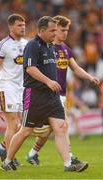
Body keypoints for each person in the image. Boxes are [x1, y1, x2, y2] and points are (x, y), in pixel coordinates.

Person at [1, 16, 88, 172]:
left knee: (61, 127)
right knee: (25, 130)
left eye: (56, 30)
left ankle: (68, 164)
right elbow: (30, 68)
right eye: (52, 30)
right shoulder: (32, 45)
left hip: (52, 96)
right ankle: (7, 160)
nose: (55, 33)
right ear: (41, 31)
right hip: (34, 94)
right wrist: (48, 81)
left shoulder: (50, 46)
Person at [25, 15, 100, 165]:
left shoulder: (65, 49)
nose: (65, 33)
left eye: (67, 30)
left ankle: (32, 154)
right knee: (62, 125)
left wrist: (89, 77)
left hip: (62, 93)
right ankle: (70, 158)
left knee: (50, 130)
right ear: (54, 29)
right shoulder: (45, 47)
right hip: (47, 93)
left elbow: (75, 68)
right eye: (61, 29)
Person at [0, 14, 27, 164]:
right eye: (19, 25)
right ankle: (10, 158)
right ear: (11, 27)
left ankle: (4, 148)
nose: (23, 27)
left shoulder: (27, 43)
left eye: (24, 25)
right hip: (7, 87)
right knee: (13, 124)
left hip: (22, 89)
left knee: (22, 125)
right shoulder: (3, 45)